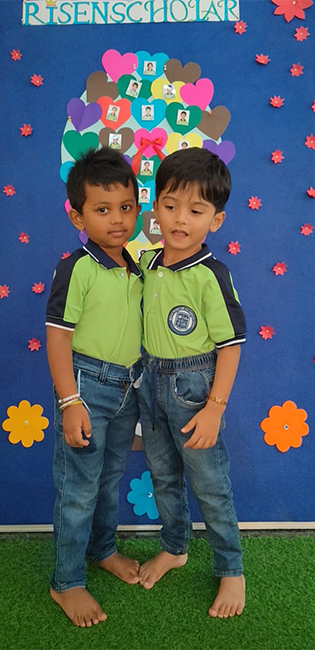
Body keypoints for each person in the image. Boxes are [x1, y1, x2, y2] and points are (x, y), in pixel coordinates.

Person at [135, 148, 247, 619]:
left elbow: (231, 346)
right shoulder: (145, 263)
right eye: (170, 205)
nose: (180, 219)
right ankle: (174, 547)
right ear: (154, 207)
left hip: (194, 387)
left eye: (196, 210)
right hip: (148, 381)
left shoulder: (210, 276)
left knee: (209, 483)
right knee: (162, 475)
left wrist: (215, 407)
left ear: (215, 220)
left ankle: (231, 569)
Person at [45, 147, 143, 627]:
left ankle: (102, 549)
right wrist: (70, 402)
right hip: (86, 386)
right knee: (78, 488)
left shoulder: (139, 268)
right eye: (102, 209)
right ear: (77, 216)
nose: (117, 219)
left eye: (126, 207)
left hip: (128, 387)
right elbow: (58, 337)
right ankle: (65, 582)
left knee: (108, 479)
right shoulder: (76, 267)